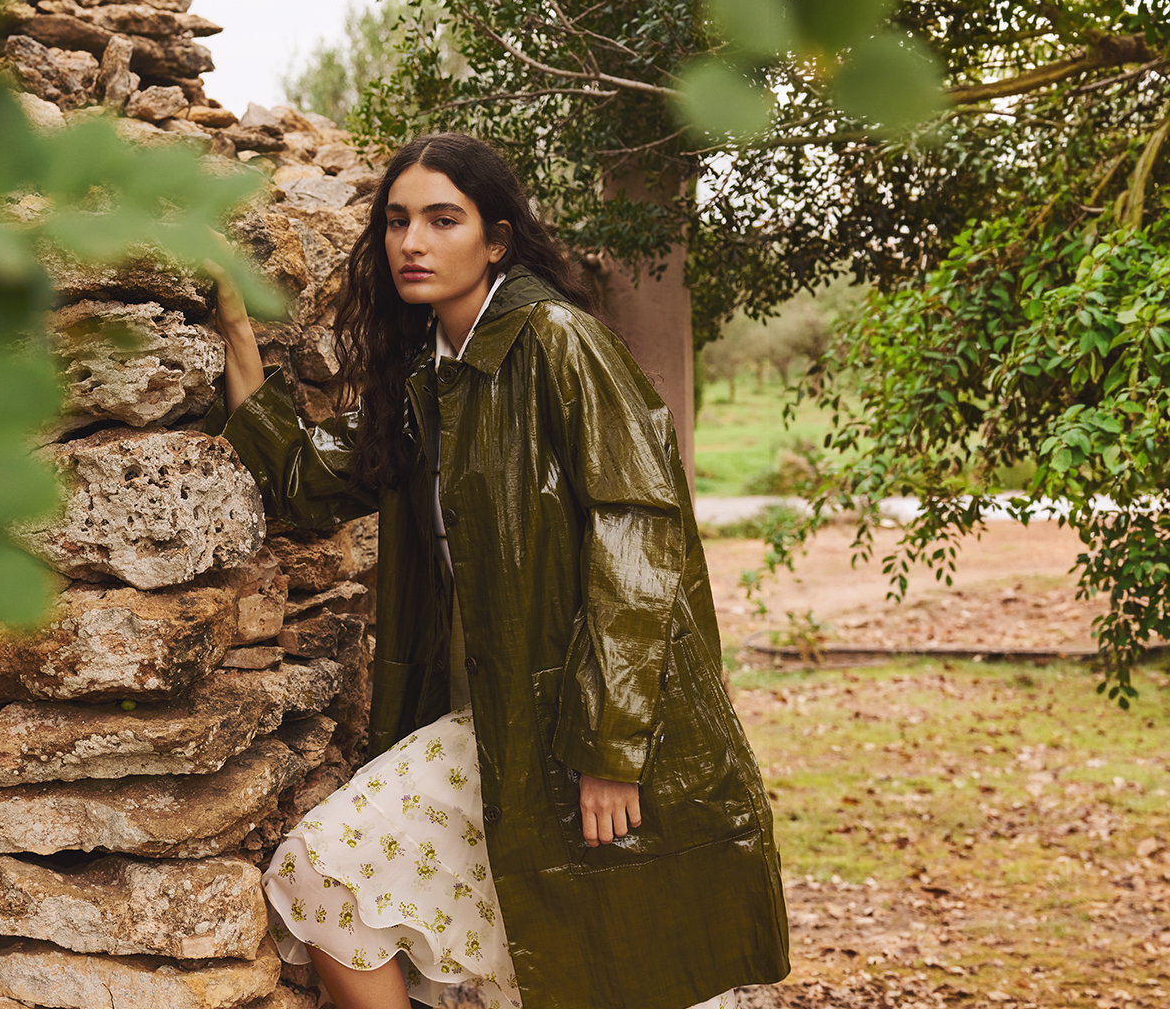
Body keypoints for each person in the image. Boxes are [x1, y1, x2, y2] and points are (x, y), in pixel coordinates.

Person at [201, 133, 790, 1009]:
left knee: (615, 970)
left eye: (444, 220)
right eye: (397, 222)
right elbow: (304, 480)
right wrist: (236, 329)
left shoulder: (557, 342)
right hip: (498, 727)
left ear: (498, 239)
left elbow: (640, 534)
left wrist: (610, 747)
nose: (413, 242)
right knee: (326, 872)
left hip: (598, 729)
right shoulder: (422, 379)